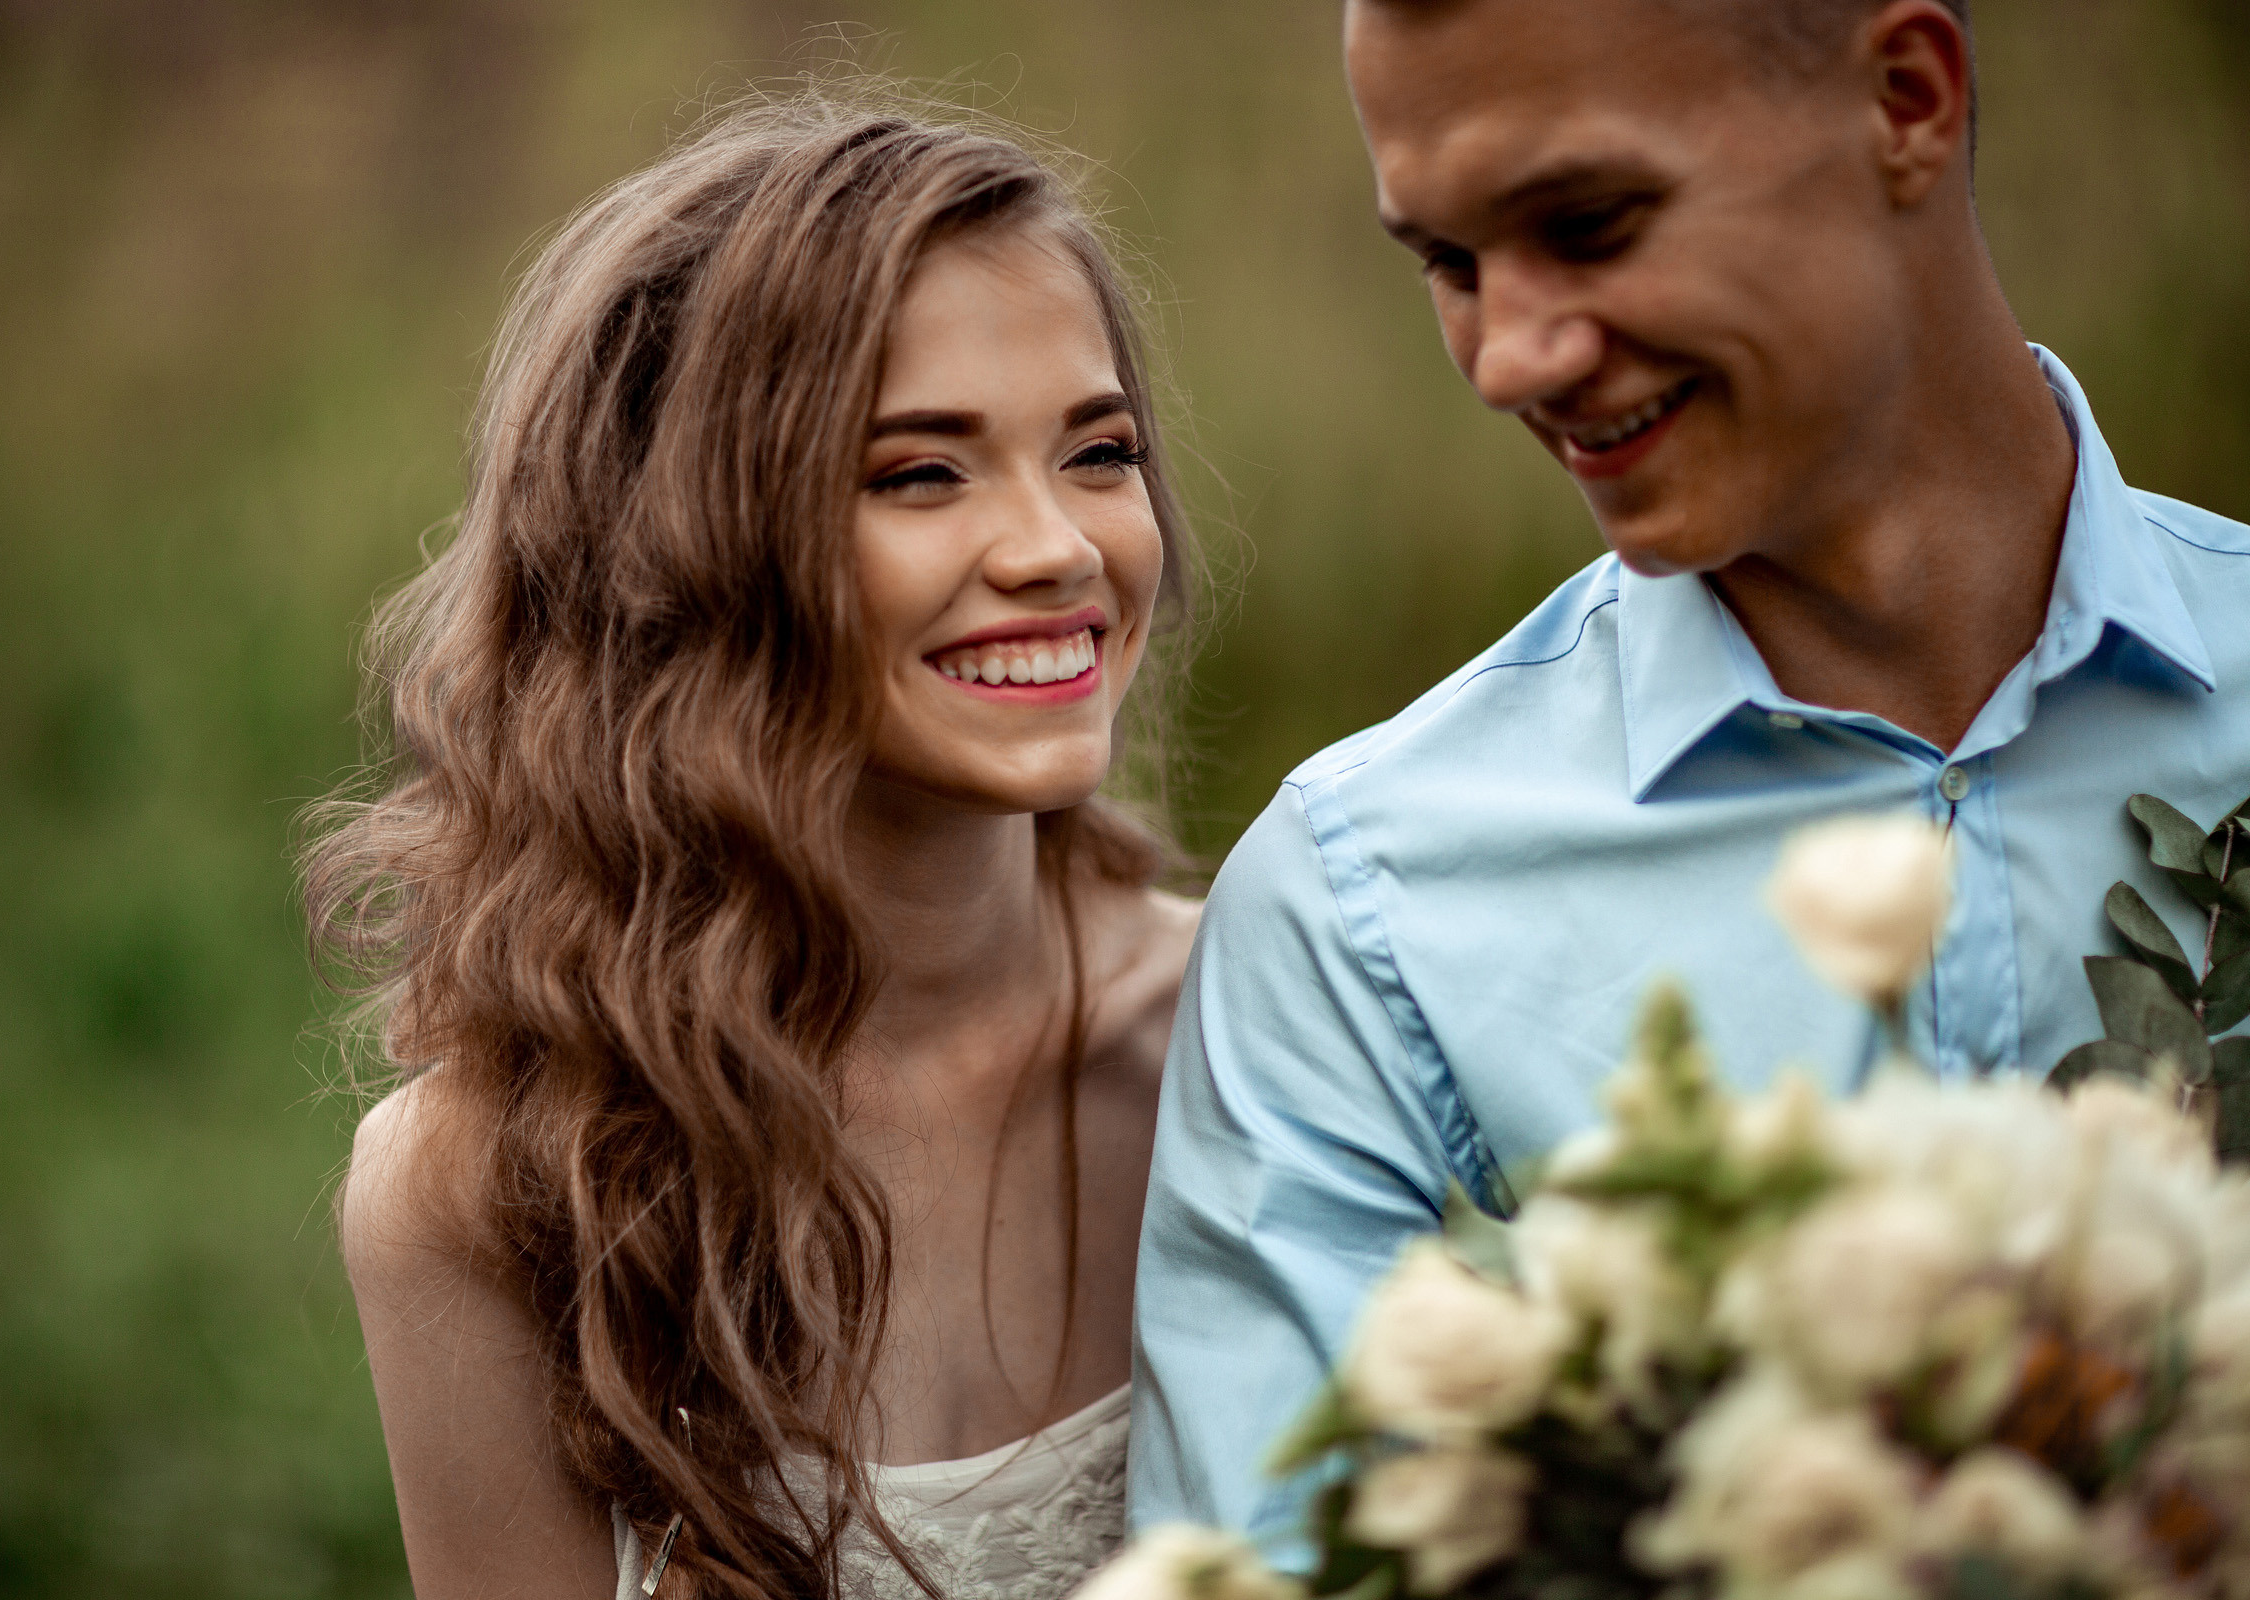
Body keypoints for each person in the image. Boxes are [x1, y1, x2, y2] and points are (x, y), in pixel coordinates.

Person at [1129, 0, 2250, 1559]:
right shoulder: (1356, 913)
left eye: (1589, 224)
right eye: (1448, 264)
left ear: (1908, 100)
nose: (1508, 357)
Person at [305, 90, 1202, 1600]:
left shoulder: (1252, 1027)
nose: (1055, 547)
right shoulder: (491, 1187)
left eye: (1099, 452)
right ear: (690, 546)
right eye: (923, 472)